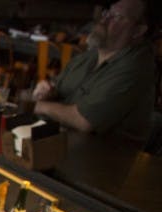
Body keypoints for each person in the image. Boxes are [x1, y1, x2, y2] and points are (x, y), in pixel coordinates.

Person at [33, 0, 157, 143]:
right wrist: (48, 92)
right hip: (58, 143)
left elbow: (84, 121)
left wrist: (40, 106)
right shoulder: (90, 55)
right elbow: (56, 89)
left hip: (100, 159)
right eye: (107, 12)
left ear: (138, 30)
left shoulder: (136, 66)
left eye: (116, 16)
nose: (104, 19)